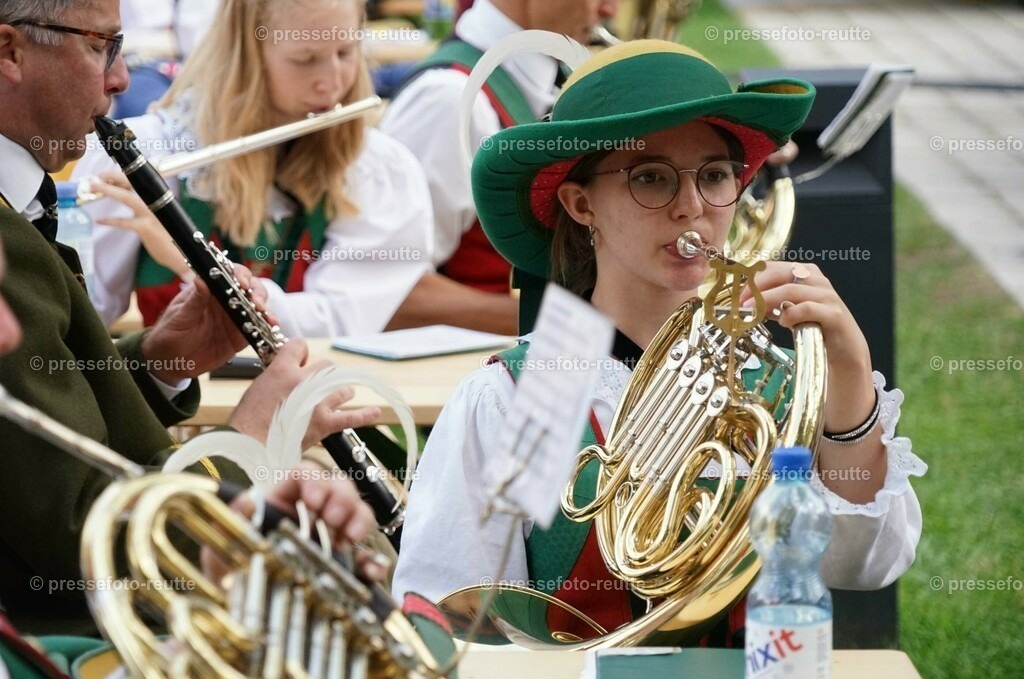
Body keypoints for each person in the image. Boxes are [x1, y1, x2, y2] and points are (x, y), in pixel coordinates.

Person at [393, 40, 927, 643]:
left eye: (716, 176)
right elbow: (451, 619)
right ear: (580, 202)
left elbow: (862, 565)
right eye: (651, 178)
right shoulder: (519, 397)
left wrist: (850, 371)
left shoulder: (777, 385)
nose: (692, 208)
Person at [0, 0, 381, 636]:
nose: (120, 80)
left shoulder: (20, 198)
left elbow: (48, 417)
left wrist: (162, 361)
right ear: (9, 51)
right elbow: (84, 530)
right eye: (101, 46)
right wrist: (256, 433)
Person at [75, 0, 518, 337]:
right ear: (246, 55)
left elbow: (338, 322)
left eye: (346, 52)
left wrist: (193, 264)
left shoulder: (374, 168)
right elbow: (83, 317)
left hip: (317, 418)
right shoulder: (149, 153)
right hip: (176, 425)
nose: (332, 81)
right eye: (305, 60)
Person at [380, 0, 620, 332]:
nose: (611, 10)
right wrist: (581, 324)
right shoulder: (448, 100)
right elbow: (387, 296)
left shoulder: (553, 77)